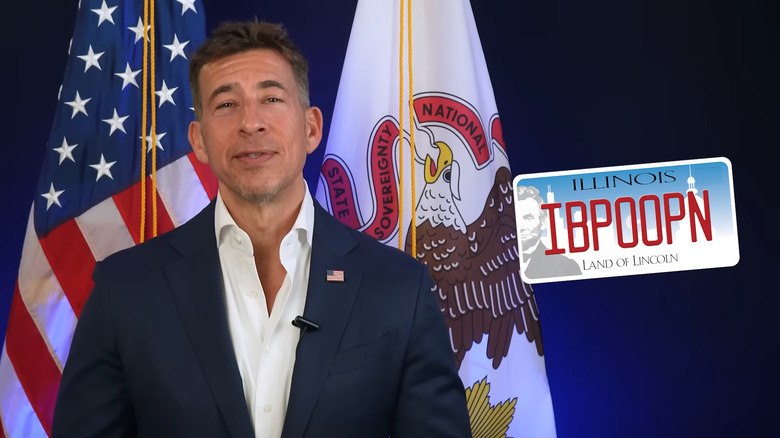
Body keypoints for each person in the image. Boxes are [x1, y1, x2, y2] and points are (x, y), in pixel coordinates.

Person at [52, 21, 471, 437]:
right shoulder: (125, 291)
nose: (250, 123)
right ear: (198, 141)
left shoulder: (399, 287)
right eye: (226, 104)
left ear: (311, 129)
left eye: (271, 98)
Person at [516, 185, 581, 279]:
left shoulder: (564, 266)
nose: (520, 226)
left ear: (543, 222)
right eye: (515, 218)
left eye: (528, 218)